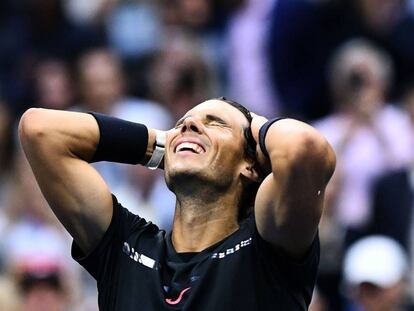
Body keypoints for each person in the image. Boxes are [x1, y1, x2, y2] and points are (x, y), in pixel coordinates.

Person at [18, 97, 336, 310]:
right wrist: (169, 144)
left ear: (251, 166)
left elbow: (305, 148)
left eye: (215, 123)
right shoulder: (124, 246)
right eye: (182, 122)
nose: (188, 125)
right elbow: (40, 130)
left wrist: (251, 124)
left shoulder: (266, 247)